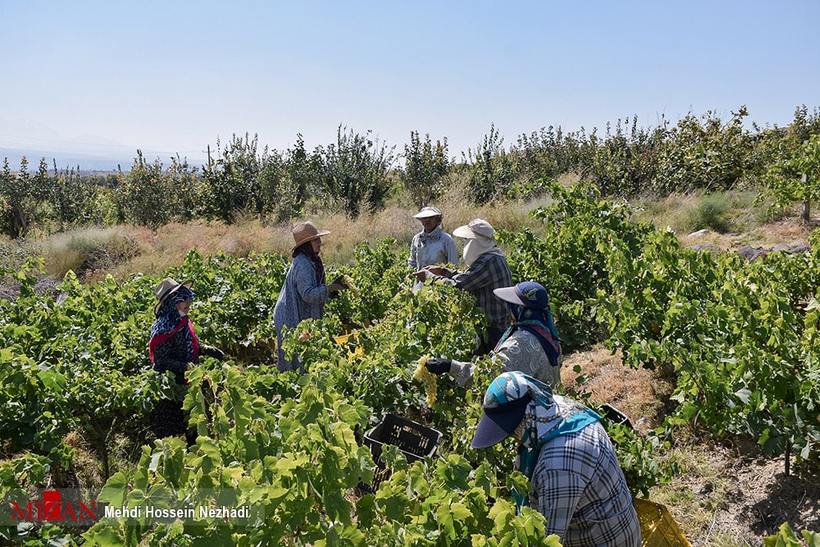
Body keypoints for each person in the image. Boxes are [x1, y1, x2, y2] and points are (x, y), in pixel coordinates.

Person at [471, 371, 641, 546]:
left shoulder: (557, 465)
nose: (512, 437)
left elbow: (546, 540)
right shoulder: (552, 409)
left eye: (511, 429)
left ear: (526, 416)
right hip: (621, 526)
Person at [424, 281, 562, 388]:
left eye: (512, 305)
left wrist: (450, 366)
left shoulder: (520, 343)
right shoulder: (547, 333)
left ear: (520, 309)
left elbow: (492, 378)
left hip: (529, 416)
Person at [418, 218, 512, 354]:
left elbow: (458, 285)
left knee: (487, 367)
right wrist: (444, 271)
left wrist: (429, 277)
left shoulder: (487, 262)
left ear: (477, 242)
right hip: (496, 325)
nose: (465, 244)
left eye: (468, 240)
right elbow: (470, 277)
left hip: (493, 329)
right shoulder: (493, 257)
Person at [148, 277, 225, 440]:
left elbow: (189, 346)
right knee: (171, 435)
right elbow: (161, 362)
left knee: (197, 427)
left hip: (189, 381)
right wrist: (184, 367)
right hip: (172, 389)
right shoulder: (163, 328)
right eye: (184, 301)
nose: (188, 305)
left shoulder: (181, 321)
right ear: (172, 303)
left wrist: (206, 350)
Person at [273, 221, 346, 371]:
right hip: (289, 314)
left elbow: (314, 288)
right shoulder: (302, 263)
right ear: (307, 244)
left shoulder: (311, 260)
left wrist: (330, 292)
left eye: (319, 239)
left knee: (304, 354)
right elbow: (307, 294)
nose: (320, 242)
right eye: (316, 240)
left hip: (299, 312)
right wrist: (329, 288)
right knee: (295, 359)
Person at [407, 206, 458, 272]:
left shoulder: (446, 240)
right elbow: (412, 262)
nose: (427, 220)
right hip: (420, 281)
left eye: (431, 217)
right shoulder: (417, 238)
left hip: (441, 281)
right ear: (421, 220)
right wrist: (409, 276)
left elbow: (453, 265)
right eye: (424, 218)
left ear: (438, 220)